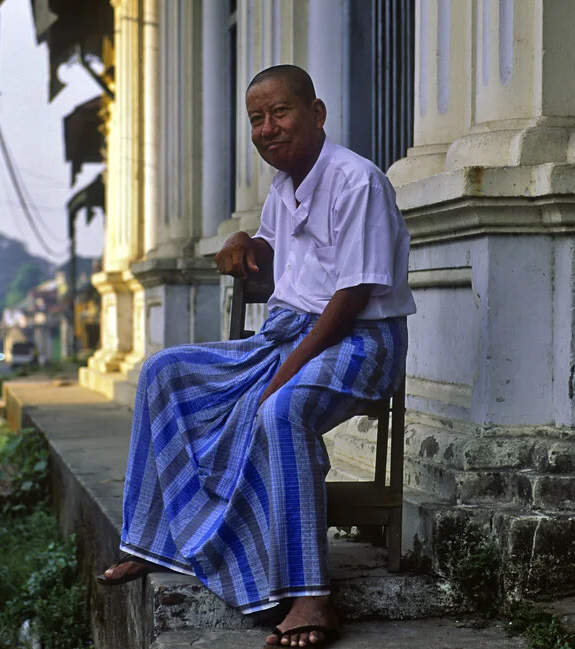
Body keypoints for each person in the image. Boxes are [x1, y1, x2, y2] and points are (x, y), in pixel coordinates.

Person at [97, 64, 416, 648]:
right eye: (256, 118)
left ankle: (310, 595)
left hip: (362, 341)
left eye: (280, 112)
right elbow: (278, 257)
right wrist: (247, 245)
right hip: (287, 338)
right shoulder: (282, 187)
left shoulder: (357, 182)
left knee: (278, 413)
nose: (268, 128)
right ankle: (155, 541)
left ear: (317, 114)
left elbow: (351, 295)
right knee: (164, 373)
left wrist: (282, 376)